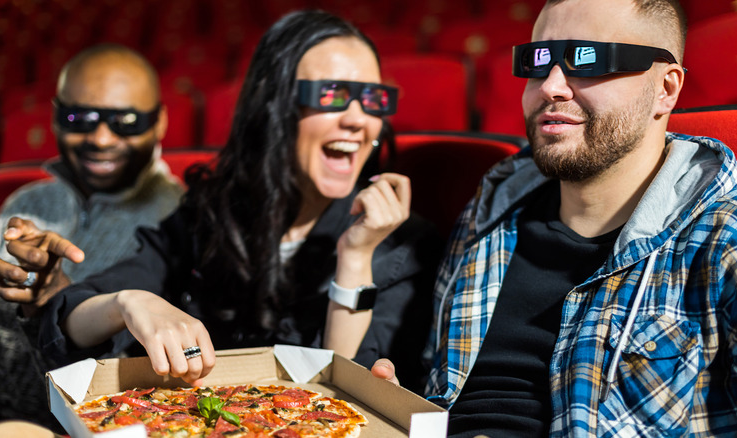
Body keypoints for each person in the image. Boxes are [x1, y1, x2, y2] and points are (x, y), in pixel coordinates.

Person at [372, 0, 737, 436]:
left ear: (666, 88)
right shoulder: (488, 210)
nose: (551, 86)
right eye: (537, 62)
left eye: (587, 60)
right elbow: (438, 390)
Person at [40, 10, 441, 393]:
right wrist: (128, 302)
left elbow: (346, 404)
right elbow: (71, 318)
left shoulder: (404, 244)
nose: (357, 119)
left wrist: (355, 260)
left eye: (372, 100)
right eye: (332, 94)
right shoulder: (212, 212)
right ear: (274, 106)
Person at [0, 44, 183, 429]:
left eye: (125, 120)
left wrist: (53, 298)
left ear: (159, 122)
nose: (101, 138)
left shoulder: (181, 218)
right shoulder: (29, 201)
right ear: (55, 117)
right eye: (79, 117)